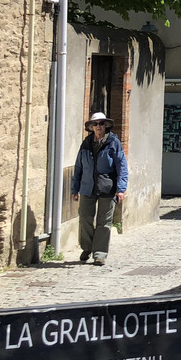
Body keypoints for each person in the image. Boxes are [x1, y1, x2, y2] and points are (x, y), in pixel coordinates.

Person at [71, 111, 129, 266]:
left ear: (106, 126)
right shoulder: (86, 143)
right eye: (95, 124)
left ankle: (100, 254)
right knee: (84, 218)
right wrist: (74, 188)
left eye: (102, 124)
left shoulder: (113, 143)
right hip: (87, 187)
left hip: (107, 187)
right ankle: (87, 247)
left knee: (104, 222)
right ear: (91, 127)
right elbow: (79, 167)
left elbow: (121, 166)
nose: (99, 127)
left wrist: (121, 188)